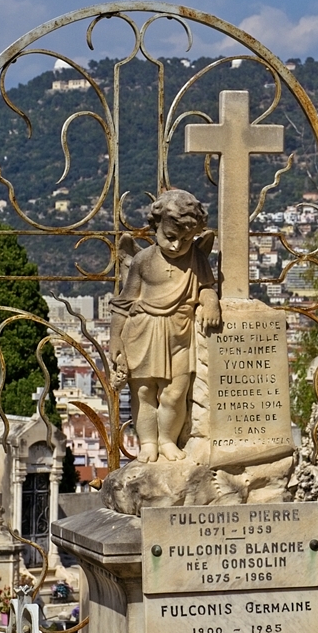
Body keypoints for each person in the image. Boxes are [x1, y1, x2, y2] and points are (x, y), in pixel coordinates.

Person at [111, 190, 222, 462]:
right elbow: (124, 303)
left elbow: (206, 287)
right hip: (144, 331)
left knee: (175, 394)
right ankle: (148, 442)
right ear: (156, 226)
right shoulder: (143, 260)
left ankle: (168, 441)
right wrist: (115, 340)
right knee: (144, 393)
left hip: (180, 334)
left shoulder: (196, 258)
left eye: (185, 239)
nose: (176, 246)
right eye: (170, 237)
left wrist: (211, 302)